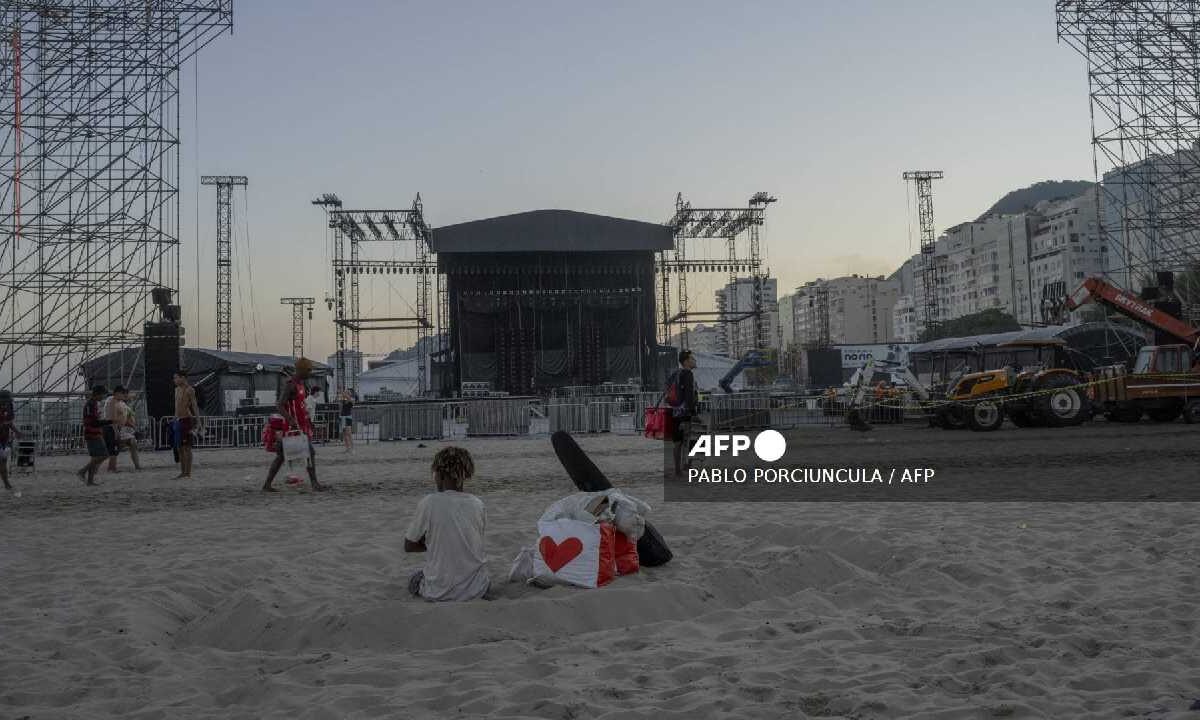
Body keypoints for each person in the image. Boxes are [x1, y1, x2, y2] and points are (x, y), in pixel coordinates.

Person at [404, 446, 490, 602]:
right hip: (477, 589)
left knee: (414, 578)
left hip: (438, 592)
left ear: (439, 475)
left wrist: (432, 542)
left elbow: (409, 546)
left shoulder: (429, 503)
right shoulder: (478, 504)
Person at [263, 358, 326, 492]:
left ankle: (267, 484)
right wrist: (290, 419)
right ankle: (314, 483)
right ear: (302, 370)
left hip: (300, 426)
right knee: (309, 453)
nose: (310, 372)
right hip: (292, 428)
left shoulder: (302, 384)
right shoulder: (291, 385)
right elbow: (279, 405)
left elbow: (301, 407)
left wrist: (308, 422)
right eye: (308, 370)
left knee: (281, 456)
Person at [671, 350, 700, 478]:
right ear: (687, 362)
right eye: (692, 358)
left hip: (676, 412)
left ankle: (678, 469)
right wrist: (693, 413)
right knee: (692, 438)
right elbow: (689, 396)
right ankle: (687, 465)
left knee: (678, 442)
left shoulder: (677, 373)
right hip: (685, 413)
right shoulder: (688, 374)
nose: (695, 361)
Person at [77, 385, 110, 486]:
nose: (103, 397)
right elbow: (94, 422)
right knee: (104, 455)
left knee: (95, 457)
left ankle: (90, 481)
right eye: (103, 394)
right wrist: (109, 421)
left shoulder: (93, 403)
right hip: (93, 433)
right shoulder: (90, 404)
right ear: (98, 394)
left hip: (93, 432)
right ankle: (82, 471)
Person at [106, 387, 141, 472]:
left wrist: (132, 425)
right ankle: (109, 467)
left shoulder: (123, 404)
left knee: (132, 443)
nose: (131, 396)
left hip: (123, 429)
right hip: (117, 428)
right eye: (126, 394)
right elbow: (116, 418)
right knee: (112, 449)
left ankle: (137, 466)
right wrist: (131, 425)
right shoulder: (113, 401)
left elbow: (125, 418)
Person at [173, 370, 199, 479]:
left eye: (176, 378)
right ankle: (183, 471)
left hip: (186, 420)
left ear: (183, 378)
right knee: (179, 448)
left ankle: (188, 472)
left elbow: (194, 405)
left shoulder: (190, 390)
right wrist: (175, 419)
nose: (174, 380)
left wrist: (198, 421)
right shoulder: (177, 390)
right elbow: (177, 406)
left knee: (187, 447)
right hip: (178, 420)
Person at [0, 390, 20, 492]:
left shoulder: (6, 411)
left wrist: (17, 432)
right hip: (2, 440)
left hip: (4, 440)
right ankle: (7, 483)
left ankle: (6, 483)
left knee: (3, 462)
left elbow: (9, 423)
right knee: (2, 463)